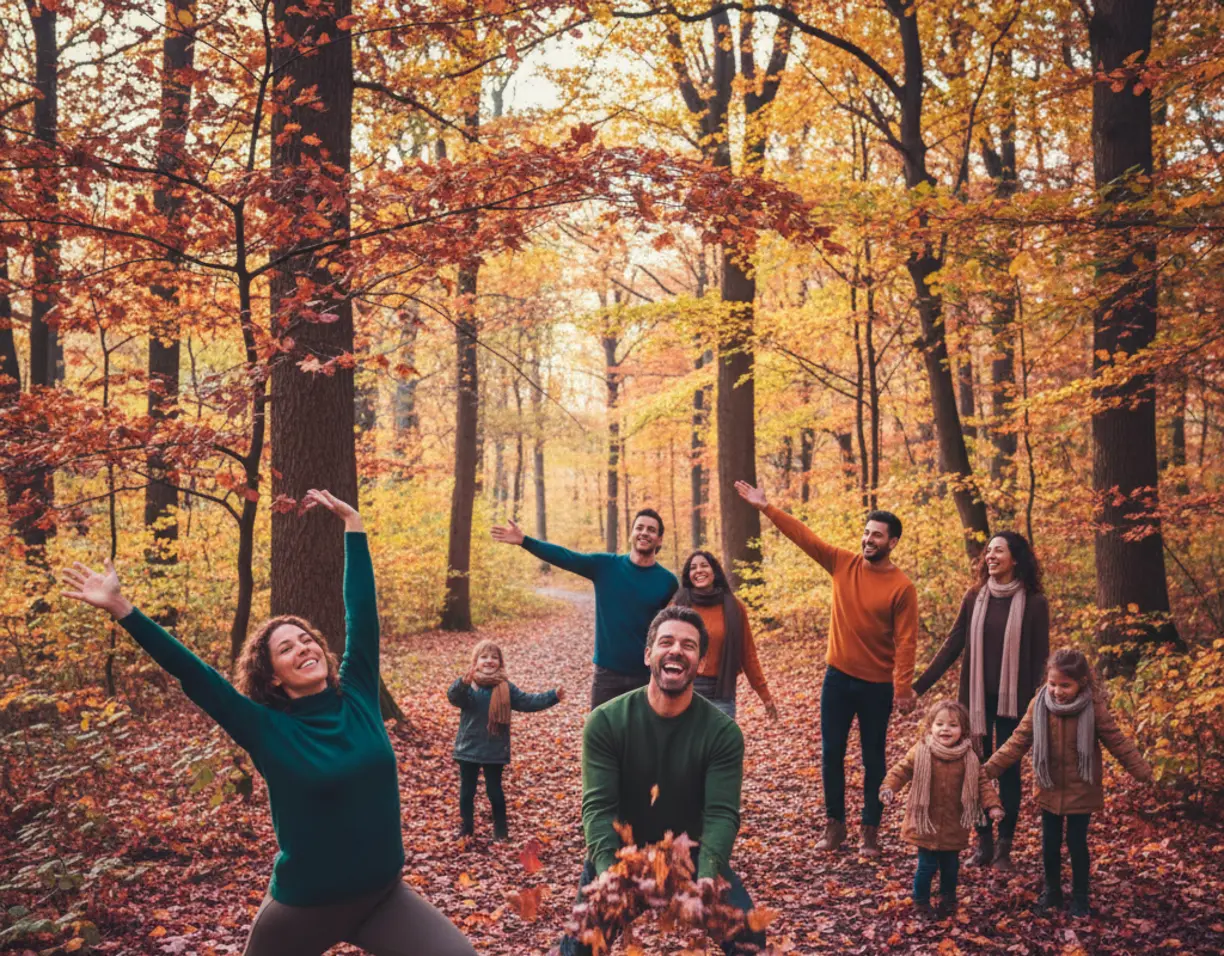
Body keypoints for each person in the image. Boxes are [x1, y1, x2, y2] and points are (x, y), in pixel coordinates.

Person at [61, 490, 476, 956]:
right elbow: (194, 675)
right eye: (287, 649)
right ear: (274, 679)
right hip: (305, 910)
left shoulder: (357, 693)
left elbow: (362, 615)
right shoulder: (265, 729)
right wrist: (123, 611)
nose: (303, 648)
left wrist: (354, 529)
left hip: (383, 897)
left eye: (307, 640)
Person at [556, 606, 764, 955]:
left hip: (691, 855)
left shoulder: (722, 733)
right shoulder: (606, 722)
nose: (676, 650)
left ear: (700, 663)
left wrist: (710, 872)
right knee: (582, 944)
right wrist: (609, 871)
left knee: (748, 936)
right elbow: (597, 808)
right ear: (648, 654)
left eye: (689, 645)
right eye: (666, 642)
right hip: (624, 855)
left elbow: (721, 814)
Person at [734, 480, 918, 857]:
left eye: (877, 536)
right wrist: (766, 507)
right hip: (837, 679)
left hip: (877, 686)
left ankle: (870, 829)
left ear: (892, 542)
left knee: (874, 759)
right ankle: (835, 826)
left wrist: (902, 688)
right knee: (831, 752)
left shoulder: (902, 587)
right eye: (866, 533)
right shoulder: (842, 563)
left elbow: (907, 641)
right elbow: (805, 538)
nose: (868, 540)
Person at [912, 531, 1049, 871]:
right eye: (988, 551)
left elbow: (1040, 659)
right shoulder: (974, 596)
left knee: (1008, 771)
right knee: (973, 770)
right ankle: (983, 843)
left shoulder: (1034, 602)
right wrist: (917, 687)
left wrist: (1038, 706)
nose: (990, 556)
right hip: (973, 703)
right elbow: (953, 644)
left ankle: (1004, 846)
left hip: (1015, 703)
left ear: (1015, 558)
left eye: (998, 551)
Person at [983, 648, 1152, 917]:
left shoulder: (1093, 708)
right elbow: (1016, 743)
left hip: (1081, 788)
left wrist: (1142, 771)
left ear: (1081, 683)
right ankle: (1052, 892)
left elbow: (1117, 741)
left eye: (1065, 685)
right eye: (1052, 684)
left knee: (1076, 842)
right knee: (1049, 843)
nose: (1057, 691)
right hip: (1049, 787)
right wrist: (987, 771)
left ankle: (1081, 896)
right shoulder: (1038, 705)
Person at [491, 509, 678, 708]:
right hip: (607, 675)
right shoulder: (605, 566)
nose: (644, 533)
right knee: (600, 736)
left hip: (646, 676)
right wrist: (525, 541)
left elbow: (673, 628)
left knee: (640, 737)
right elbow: (566, 557)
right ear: (631, 533)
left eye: (651, 530)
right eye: (639, 528)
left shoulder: (667, 582)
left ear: (659, 540)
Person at [881, 700, 1003, 918]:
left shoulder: (969, 758)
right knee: (926, 866)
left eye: (953, 725)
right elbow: (901, 770)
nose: (945, 729)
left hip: (953, 823)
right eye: (939, 724)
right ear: (930, 727)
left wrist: (993, 805)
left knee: (950, 867)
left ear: (963, 730)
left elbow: (982, 784)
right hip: (925, 822)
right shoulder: (920, 751)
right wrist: (889, 787)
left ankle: (948, 899)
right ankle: (921, 902)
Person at [447, 638, 564, 841]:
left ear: (500, 662)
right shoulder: (469, 684)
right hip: (469, 746)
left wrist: (552, 696)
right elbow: (454, 698)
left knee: (495, 792)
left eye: (494, 657)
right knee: (467, 792)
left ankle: (501, 832)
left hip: (494, 747)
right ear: (475, 661)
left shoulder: (505, 687)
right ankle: (466, 829)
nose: (489, 661)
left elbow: (528, 701)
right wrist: (461, 684)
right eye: (484, 657)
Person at [672, 549, 778, 721]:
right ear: (688, 575)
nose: (698, 570)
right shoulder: (678, 606)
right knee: (688, 747)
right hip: (684, 690)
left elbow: (748, 656)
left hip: (721, 693)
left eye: (704, 566)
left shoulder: (734, 608)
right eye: (693, 567)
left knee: (720, 747)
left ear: (715, 571)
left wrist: (765, 696)